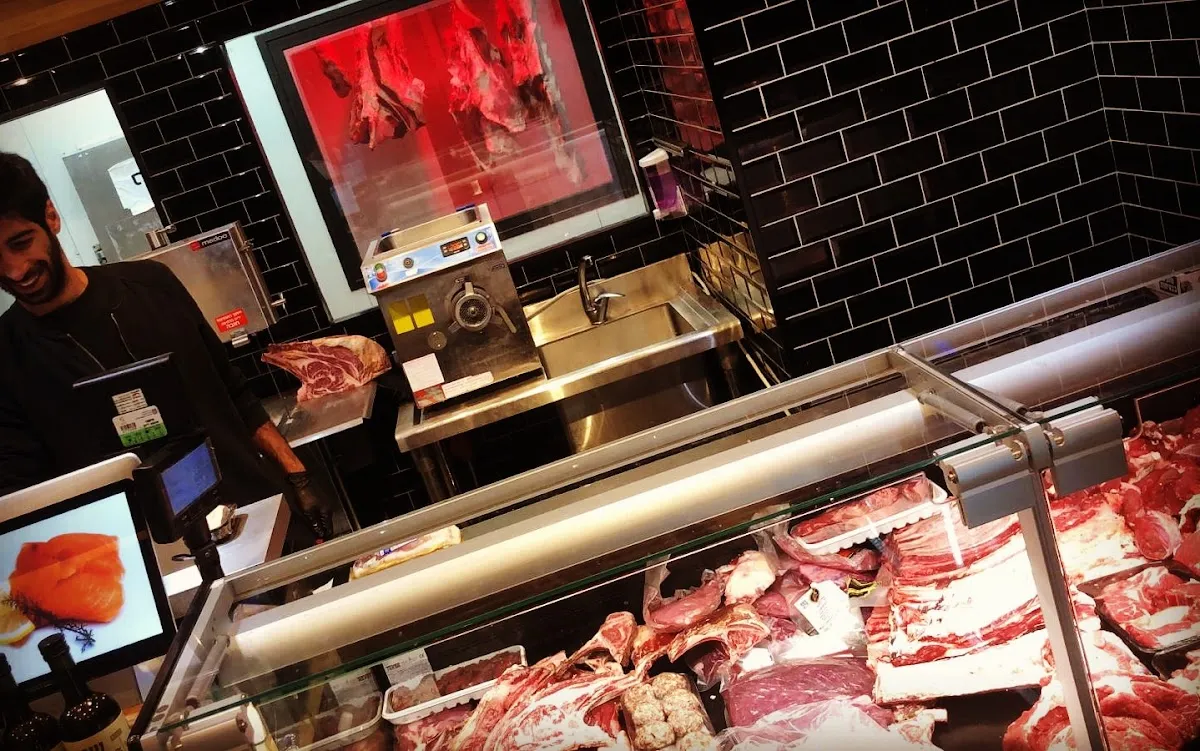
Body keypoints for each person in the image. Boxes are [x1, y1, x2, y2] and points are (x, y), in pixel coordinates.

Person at [0, 152, 332, 541]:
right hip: (150, 556)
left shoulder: (152, 284)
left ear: (51, 217)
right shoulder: (7, 357)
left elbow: (233, 390)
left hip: (261, 517)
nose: (14, 270)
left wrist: (297, 474)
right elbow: (30, 499)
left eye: (21, 243)